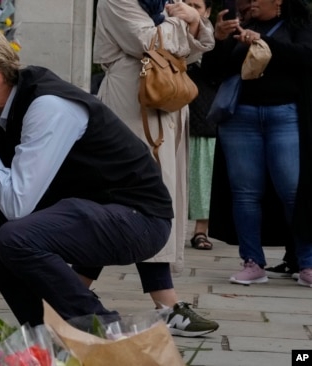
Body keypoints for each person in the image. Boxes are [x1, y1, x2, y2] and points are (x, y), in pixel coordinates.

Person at [0, 27, 175, 326]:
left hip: (139, 218)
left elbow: (16, 206)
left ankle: (100, 325)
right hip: (89, 210)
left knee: (15, 238)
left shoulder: (48, 105)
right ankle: (40, 326)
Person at [75, 0, 219, 337]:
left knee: (135, 203)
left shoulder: (163, 1)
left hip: (164, 101)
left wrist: (194, 22)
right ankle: (166, 306)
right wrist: (184, 22)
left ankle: (68, 292)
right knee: (135, 201)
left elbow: (199, 48)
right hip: (130, 104)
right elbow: (148, 42)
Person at [202, 0, 312, 287]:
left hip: (285, 115)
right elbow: (214, 72)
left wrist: (266, 41)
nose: (250, 1)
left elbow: (305, 56)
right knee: (245, 193)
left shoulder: (298, 24)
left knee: (293, 190)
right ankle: (252, 261)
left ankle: (307, 262)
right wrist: (221, 39)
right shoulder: (242, 24)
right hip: (241, 118)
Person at [185, 0, 216, 250]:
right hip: (171, 111)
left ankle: (201, 230)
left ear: (207, 11)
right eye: (186, 2)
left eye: (196, 4)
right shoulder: (167, 29)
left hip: (204, 113)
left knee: (203, 176)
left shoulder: (216, 38)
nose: (190, 8)